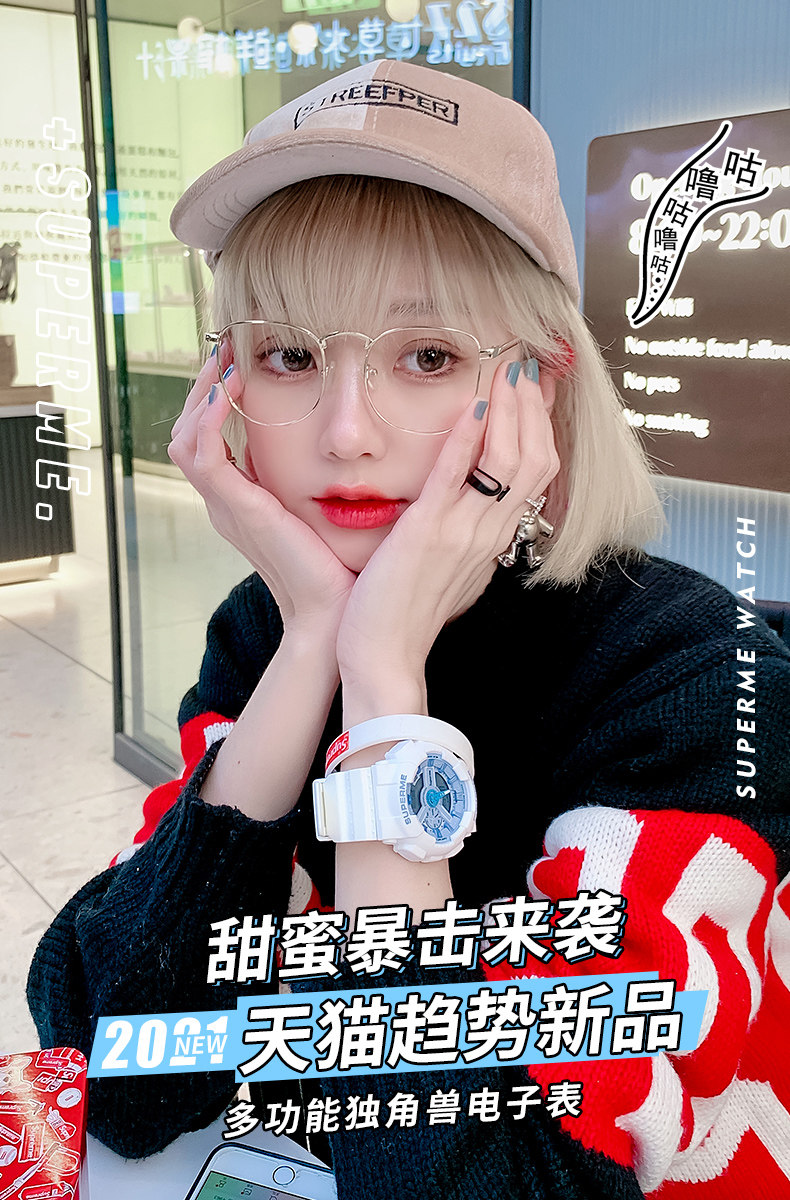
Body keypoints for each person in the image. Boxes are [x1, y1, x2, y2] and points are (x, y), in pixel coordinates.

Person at [28, 60, 790, 1200]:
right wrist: (310, 648)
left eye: (427, 357)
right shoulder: (267, 628)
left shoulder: (690, 670)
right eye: (289, 355)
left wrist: (386, 690)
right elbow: (119, 1083)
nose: (345, 432)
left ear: (539, 385)